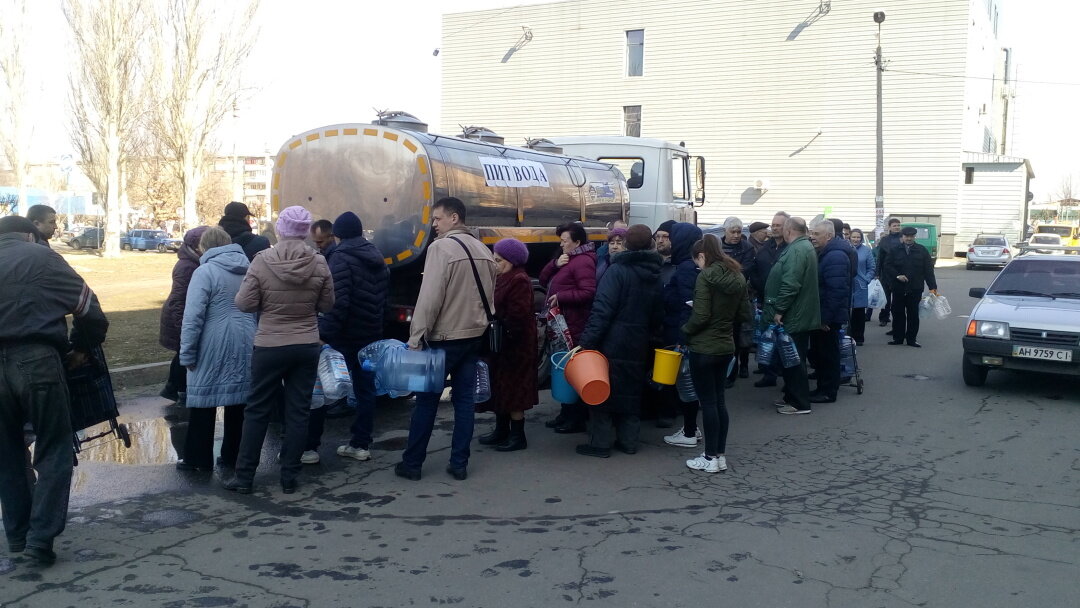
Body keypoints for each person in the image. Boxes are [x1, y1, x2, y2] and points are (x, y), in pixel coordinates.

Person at [0, 215, 109, 566]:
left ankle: (17, 536)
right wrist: (80, 348)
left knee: (7, 453)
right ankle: (39, 541)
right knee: (54, 449)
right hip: (38, 361)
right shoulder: (44, 258)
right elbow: (90, 311)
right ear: (31, 237)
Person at [224, 206, 334, 495]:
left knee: (257, 410)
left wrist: (268, 304)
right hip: (306, 343)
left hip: (270, 344)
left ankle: (244, 477)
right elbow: (326, 305)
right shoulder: (319, 262)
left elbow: (244, 303)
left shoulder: (262, 261)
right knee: (298, 412)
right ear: (307, 231)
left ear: (280, 229)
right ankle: (289, 476)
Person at [398, 197, 496, 481]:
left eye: (438, 219)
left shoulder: (440, 248)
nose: (434, 225)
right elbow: (490, 298)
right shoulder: (483, 249)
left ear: (454, 218)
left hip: (442, 338)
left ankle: (412, 464)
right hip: (473, 336)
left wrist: (416, 337)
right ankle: (459, 463)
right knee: (464, 401)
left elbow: (430, 297)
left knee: (426, 401)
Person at [576, 224, 664, 457]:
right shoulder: (655, 274)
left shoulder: (617, 271)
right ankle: (628, 442)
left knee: (602, 390)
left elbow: (602, 310)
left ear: (626, 245)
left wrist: (586, 343)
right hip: (639, 341)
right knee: (632, 391)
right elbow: (658, 314)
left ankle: (600, 444)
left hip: (612, 339)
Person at [313, 211, 390, 464]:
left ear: (337, 235)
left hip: (345, 337)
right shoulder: (376, 256)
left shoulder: (340, 258)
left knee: (325, 387)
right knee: (365, 390)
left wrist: (324, 334)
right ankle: (361, 444)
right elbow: (382, 299)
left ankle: (310, 447)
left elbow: (338, 302)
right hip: (370, 334)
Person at [177, 227, 256, 472]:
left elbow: (193, 317)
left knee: (203, 401)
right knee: (239, 400)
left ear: (204, 247)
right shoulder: (249, 269)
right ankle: (232, 454)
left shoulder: (205, 272)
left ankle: (198, 458)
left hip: (213, 341)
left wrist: (187, 353)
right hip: (246, 337)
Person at [680, 234, 752, 473]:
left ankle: (710, 457)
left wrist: (685, 331)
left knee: (708, 403)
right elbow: (745, 314)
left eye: (697, 261)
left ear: (703, 256)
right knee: (720, 402)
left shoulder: (706, 277)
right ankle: (719, 455)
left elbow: (700, 316)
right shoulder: (738, 276)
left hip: (704, 346)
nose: (697, 266)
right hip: (726, 345)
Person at [476, 238, 536, 452]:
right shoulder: (503, 277)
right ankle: (501, 430)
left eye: (498, 259)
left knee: (515, 391)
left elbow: (517, 316)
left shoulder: (519, 280)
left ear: (511, 260)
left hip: (515, 346)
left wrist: (501, 328)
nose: (494, 263)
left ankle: (518, 436)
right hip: (501, 343)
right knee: (500, 387)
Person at [539, 222, 596, 434]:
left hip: (574, 324)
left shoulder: (583, 262)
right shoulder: (568, 259)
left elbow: (588, 292)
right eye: (561, 241)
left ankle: (576, 418)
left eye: (565, 241)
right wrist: (555, 264)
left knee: (573, 371)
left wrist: (561, 297)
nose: (562, 244)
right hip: (562, 324)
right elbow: (544, 280)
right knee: (563, 369)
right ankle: (566, 413)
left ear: (577, 242)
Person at [762, 217, 819, 415]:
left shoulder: (797, 250)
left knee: (794, 360)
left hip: (794, 315)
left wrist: (779, 310)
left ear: (789, 230)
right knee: (792, 358)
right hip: (797, 314)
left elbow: (791, 284)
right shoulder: (802, 247)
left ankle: (800, 403)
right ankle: (792, 397)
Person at [660, 222, 703, 448]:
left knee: (686, 384)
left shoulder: (686, 268)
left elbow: (689, 305)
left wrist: (682, 339)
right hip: (682, 331)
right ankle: (690, 428)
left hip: (680, 333)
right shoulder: (692, 265)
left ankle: (689, 431)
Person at [158, 226, 209, 406]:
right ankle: (175, 388)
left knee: (183, 353)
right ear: (197, 246)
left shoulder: (194, 262)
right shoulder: (187, 266)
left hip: (183, 317)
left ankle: (176, 388)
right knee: (184, 353)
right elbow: (178, 299)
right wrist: (182, 325)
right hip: (179, 318)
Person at [807, 219, 852, 404]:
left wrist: (824, 318)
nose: (812, 237)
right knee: (821, 354)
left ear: (829, 236)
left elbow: (836, 291)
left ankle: (828, 392)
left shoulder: (835, 256)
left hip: (828, 317)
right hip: (825, 314)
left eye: (816, 234)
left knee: (828, 355)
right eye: (811, 233)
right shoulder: (827, 253)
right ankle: (822, 388)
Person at [748, 211, 790, 389]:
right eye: (773, 225)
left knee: (786, 340)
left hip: (786, 302)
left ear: (787, 227)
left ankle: (787, 376)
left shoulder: (791, 247)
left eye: (778, 225)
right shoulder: (766, 247)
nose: (774, 228)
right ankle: (769, 373)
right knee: (767, 337)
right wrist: (760, 286)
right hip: (766, 300)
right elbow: (755, 269)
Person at [885, 226, 938, 348]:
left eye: (911, 236)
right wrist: (897, 275)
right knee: (897, 313)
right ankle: (898, 338)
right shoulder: (894, 250)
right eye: (906, 236)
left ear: (915, 237)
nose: (909, 238)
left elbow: (928, 270)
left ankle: (911, 339)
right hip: (898, 287)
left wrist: (933, 287)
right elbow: (887, 266)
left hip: (915, 288)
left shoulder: (922, 250)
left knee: (913, 314)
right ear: (902, 237)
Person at [719, 217, 756, 386]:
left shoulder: (747, 248)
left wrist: (724, 275)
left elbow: (745, 270)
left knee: (742, 332)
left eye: (739, 232)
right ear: (725, 231)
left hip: (740, 295)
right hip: (721, 296)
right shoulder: (718, 246)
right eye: (732, 232)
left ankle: (742, 365)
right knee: (728, 335)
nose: (736, 235)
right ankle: (727, 371)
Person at [849, 229, 875, 345]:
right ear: (850, 237)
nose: (856, 239)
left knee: (859, 313)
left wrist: (866, 279)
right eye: (853, 237)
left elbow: (871, 267)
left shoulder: (866, 250)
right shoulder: (846, 249)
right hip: (848, 284)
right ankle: (847, 337)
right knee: (846, 312)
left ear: (861, 238)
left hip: (861, 285)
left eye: (858, 237)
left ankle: (859, 337)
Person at [874, 218, 903, 326]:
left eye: (898, 225)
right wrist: (877, 273)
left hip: (899, 273)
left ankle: (897, 320)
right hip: (885, 273)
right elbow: (880, 258)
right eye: (894, 225)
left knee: (897, 300)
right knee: (885, 298)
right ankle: (884, 318)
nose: (897, 227)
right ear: (889, 227)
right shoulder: (885, 240)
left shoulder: (903, 238)